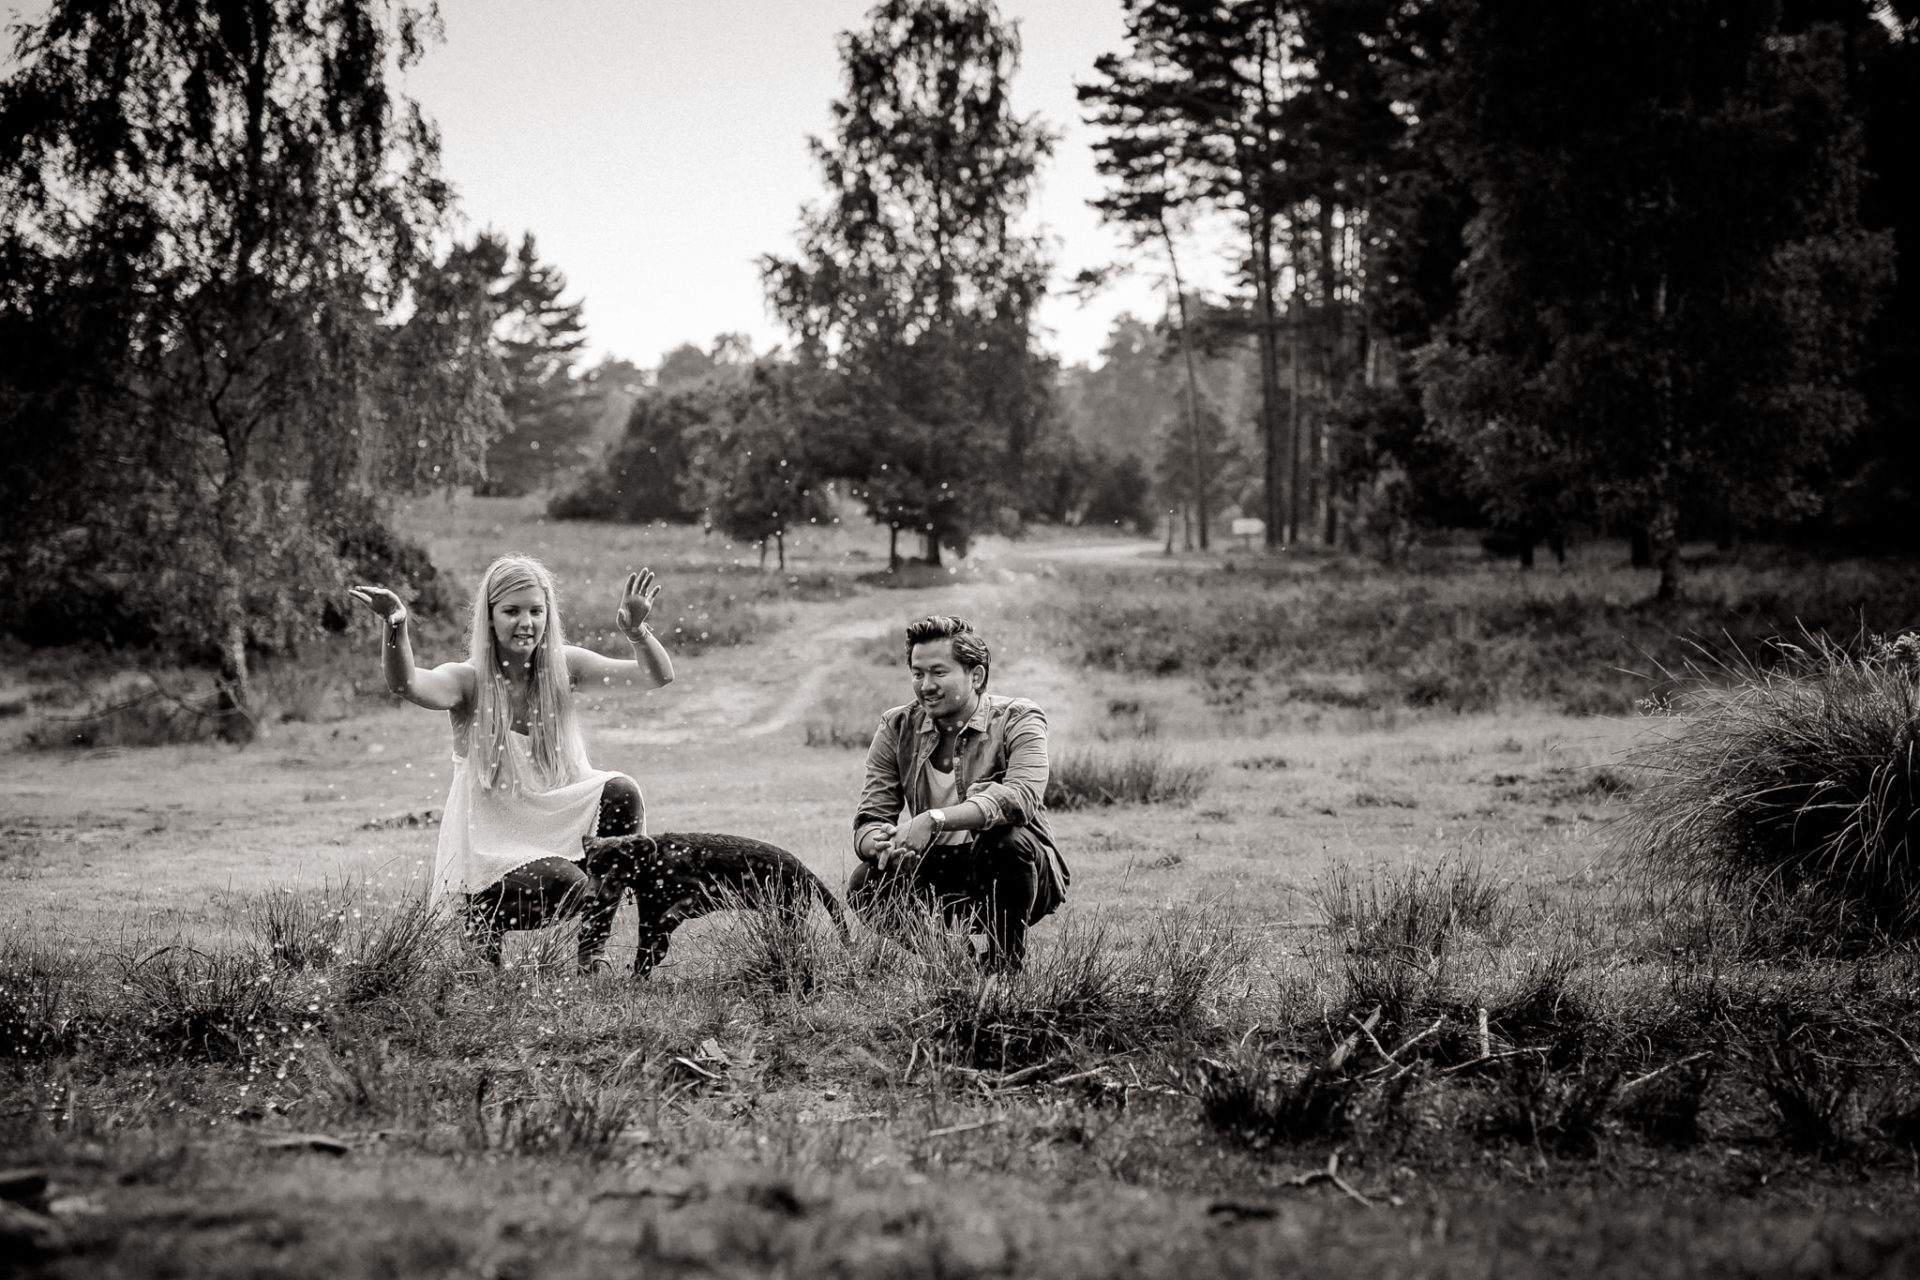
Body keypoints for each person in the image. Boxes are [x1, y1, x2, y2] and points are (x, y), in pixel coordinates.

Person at [348, 555, 673, 969]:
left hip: (557, 824)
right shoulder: (468, 681)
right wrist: (396, 624)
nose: (526, 623)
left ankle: (591, 954)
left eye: (536, 611)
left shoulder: (564, 667)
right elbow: (407, 684)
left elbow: (656, 676)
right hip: (492, 853)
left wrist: (637, 632)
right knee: (568, 885)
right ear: (489, 617)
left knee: (622, 791)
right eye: (512, 611)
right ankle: (479, 921)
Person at [849, 615, 1069, 972]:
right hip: (937, 871)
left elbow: (1020, 799)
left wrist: (934, 820)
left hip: (1016, 873)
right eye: (917, 674)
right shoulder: (897, 726)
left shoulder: (1018, 718)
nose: (926, 686)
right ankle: (956, 965)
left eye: (938, 672)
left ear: (976, 676)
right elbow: (869, 818)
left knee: (1004, 840)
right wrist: (881, 844)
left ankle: (1004, 964)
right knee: (865, 882)